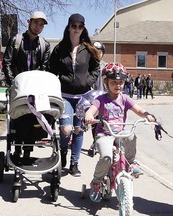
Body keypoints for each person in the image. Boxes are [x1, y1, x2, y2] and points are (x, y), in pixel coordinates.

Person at [84, 62, 156, 202]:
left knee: (131, 135)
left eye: (121, 82)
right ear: (106, 83)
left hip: (120, 132)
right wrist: (89, 116)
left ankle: (131, 163)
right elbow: (92, 110)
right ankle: (97, 182)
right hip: (104, 134)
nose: (118, 85)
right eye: (114, 82)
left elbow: (138, 109)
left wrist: (147, 114)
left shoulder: (125, 98)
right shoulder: (101, 99)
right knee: (106, 157)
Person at [49, 13, 100, 176]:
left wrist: (88, 81)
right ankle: (63, 152)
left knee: (78, 129)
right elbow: (51, 71)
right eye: (74, 26)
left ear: (83, 28)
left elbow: (96, 69)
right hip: (64, 95)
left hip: (83, 97)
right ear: (69, 27)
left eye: (80, 26)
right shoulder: (60, 48)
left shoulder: (88, 48)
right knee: (66, 129)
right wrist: (56, 83)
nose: (77, 29)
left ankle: (74, 163)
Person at [2, 11, 51, 160]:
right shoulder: (16, 41)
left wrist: (39, 84)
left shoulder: (44, 45)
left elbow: (44, 66)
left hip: (35, 88)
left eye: (41, 25)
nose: (38, 27)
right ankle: (17, 150)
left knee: (34, 118)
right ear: (28, 22)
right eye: (36, 23)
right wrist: (12, 83)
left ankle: (28, 151)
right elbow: (7, 62)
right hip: (19, 87)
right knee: (19, 116)